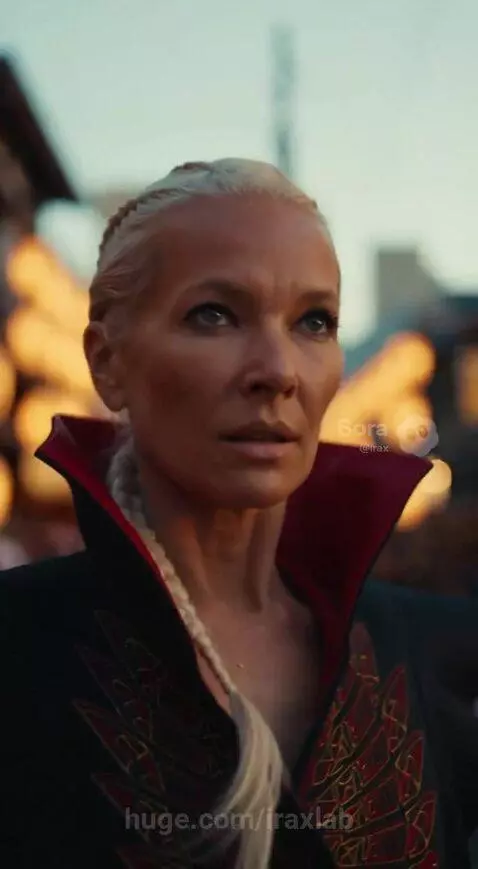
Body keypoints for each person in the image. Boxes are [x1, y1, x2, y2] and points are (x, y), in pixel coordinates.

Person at [1, 159, 477, 869]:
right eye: (213, 314)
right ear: (107, 361)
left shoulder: (439, 651)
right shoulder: (19, 644)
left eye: (314, 321)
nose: (278, 369)